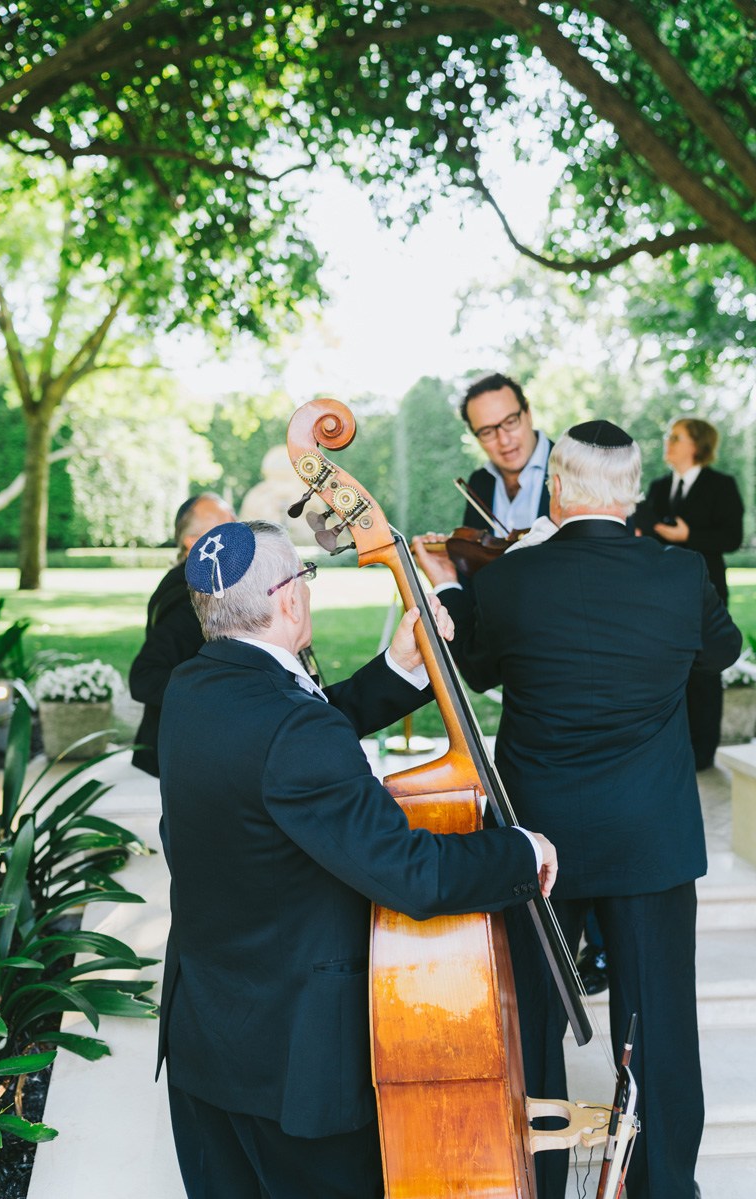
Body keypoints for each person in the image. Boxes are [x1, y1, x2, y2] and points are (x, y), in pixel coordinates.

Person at [156, 519, 558, 1199]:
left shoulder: (193, 690)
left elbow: (291, 748)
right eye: (304, 579)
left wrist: (400, 668)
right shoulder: (292, 728)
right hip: (296, 1066)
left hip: (210, 1042)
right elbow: (411, 874)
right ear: (289, 601)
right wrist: (520, 849)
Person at [413, 420, 742, 1199]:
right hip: (652, 836)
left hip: (538, 844)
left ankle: (536, 1184)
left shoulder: (510, 581)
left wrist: (460, 584)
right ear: (631, 492)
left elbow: (478, 669)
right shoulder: (680, 573)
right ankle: (665, 1187)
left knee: (531, 1028)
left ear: (557, 486)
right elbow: (721, 651)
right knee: (659, 1022)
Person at [635, 417, 744, 771]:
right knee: (666, 667)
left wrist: (687, 537)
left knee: (705, 670)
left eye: (675, 436)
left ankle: (703, 753)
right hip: (660, 591)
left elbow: (731, 538)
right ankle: (672, 747)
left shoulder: (722, 486)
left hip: (705, 589)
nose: (667, 441)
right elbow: (649, 532)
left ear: (696, 444)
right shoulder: (658, 485)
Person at [129, 492, 235, 776]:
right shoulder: (188, 598)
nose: (238, 533)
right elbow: (144, 677)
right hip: (188, 754)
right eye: (225, 526)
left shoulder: (205, 583)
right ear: (193, 542)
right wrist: (221, 694)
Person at [458, 372, 552, 534]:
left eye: (510, 422)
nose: (504, 441)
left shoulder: (573, 468)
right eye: (487, 432)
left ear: (528, 413)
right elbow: (475, 558)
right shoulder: (478, 483)